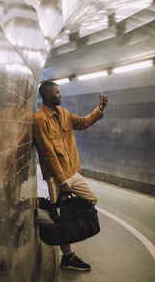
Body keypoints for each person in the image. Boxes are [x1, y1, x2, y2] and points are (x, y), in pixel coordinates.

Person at [34, 80, 108, 271]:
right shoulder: (40, 119)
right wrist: (61, 180)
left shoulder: (64, 113)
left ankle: (49, 211)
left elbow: (82, 123)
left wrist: (98, 110)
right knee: (62, 218)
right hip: (57, 177)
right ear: (48, 95)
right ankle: (67, 257)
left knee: (91, 199)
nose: (60, 95)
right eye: (57, 93)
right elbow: (48, 153)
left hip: (71, 171)